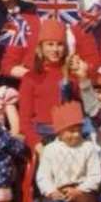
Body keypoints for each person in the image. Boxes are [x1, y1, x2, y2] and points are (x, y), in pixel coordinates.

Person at [35, 101, 101, 202]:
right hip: (58, 189)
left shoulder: (88, 147)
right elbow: (43, 176)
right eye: (70, 131)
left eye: (78, 130)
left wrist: (79, 190)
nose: (76, 135)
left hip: (81, 190)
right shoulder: (51, 149)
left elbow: (95, 176)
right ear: (60, 132)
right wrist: (51, 191)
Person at [14, 19, 74, 149]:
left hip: (70, 136)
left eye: (59, 44)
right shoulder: (31, 78)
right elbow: (25, 121)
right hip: (42, 136)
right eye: (50, 44)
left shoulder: (73, 76)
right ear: (41, 47)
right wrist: (36, 143)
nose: (55, 49)